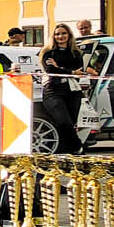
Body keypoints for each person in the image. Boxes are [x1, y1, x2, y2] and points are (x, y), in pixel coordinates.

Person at [42, 23, 88, 156]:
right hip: (53, 91)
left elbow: (79, 71)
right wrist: (71, 71)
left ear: (69, 35)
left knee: (70, 123)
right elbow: (51, 70)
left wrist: (60, 68)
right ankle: (78, 147)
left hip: (73, 91)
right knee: (63, 122)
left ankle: (67, 153)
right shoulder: (48, 52)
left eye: (63, 33)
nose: (60, 36)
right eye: (57, 34)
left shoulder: (76, 53)